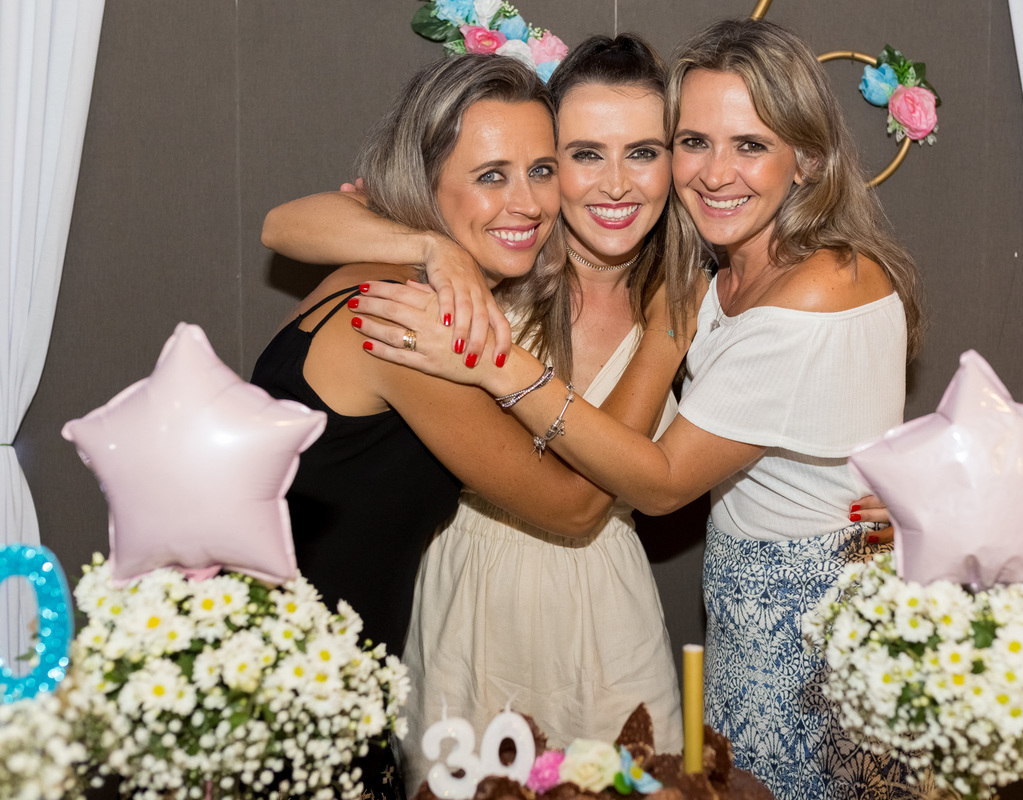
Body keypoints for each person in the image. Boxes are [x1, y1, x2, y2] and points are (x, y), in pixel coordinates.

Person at [346, 19, 922, 800]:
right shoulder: (655, 267)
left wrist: (490, 361)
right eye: (695, 143)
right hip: (508, 602)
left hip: (790, 620)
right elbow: (295, 223)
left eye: (749, 145)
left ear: (807, 159)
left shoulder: (729, 289)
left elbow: (656, 483)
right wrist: (431, 248)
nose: (715, 171)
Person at [259, 37, 708, 794]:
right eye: (581, 155)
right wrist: (664, 335)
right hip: (349, 652)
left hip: (586, 620)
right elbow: (576, 502)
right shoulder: (417, 310)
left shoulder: (464, 266)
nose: (526, 199)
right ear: (427, 181)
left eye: (539, 170)